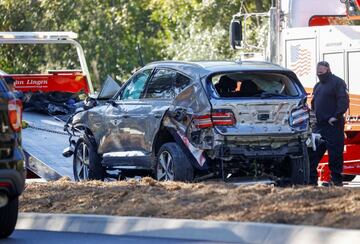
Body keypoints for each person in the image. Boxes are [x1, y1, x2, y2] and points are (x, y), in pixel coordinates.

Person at [309, 61, 349, 186]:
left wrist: (335, 116)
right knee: (313, 155)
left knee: (335, 155)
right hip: (319, 126)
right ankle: (311, 181)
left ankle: (336, 182)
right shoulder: (317, 86)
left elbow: (343, 101)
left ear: (328, 69)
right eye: (317, 72)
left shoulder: (337, 82)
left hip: (333, 125)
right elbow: (314, 104)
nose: (319, 74)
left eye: (321, 72)